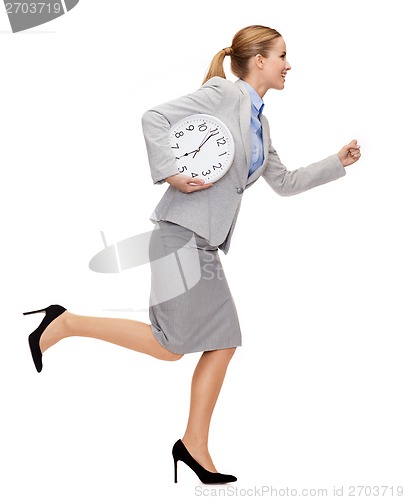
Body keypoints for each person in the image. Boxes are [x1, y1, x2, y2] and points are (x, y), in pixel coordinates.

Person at [24, 25, 361, 485]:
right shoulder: (223, 93)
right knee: (174, 346)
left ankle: (192, 442)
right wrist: (170, 173)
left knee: (210, 343)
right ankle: (65, 325)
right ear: (258, 60)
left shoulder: (260, 121)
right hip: (181, 233)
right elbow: (153, 118)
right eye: (283, 55)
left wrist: (336, 161)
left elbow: (283, 183)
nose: (288, 64)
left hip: (201, 241)